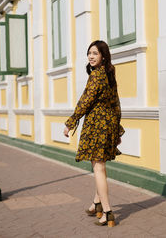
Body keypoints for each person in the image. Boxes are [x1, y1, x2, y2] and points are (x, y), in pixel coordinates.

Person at [64, 40, 124, 227]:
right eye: (89, 53)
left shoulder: (97, 76)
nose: (91, 56)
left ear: (103, 56)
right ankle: (96, 204)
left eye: (95, 53)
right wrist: (117, 129)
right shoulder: (109, 74)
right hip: (107, 125)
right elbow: (116, 104)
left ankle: (108, 212)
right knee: (101, 167)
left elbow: (85, 102)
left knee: (98, 168)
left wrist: (70, 122)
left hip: (96, 127)